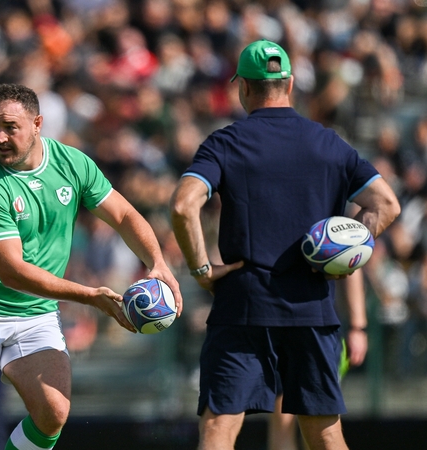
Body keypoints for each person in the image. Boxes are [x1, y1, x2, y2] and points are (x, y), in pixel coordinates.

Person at [169, 39, 400, 450]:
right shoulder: (330, 144)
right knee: (325, 433)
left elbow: (184, 206)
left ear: (242, 88)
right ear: (290, 83)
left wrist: (202, 270)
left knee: (220, 428)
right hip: (311, 309)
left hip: (242, 307)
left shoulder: (224, 143)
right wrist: (345, 247)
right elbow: (386, 205)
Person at [0, 83, 183, 450]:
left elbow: (124, 215)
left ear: (37, 124)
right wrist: (92, 296)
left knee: (53, 413)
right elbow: (13, 272)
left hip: (36, 313)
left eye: (10, 127)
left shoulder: (72, 163)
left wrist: (157, 262)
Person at [268, 270, 368, 450]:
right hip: (274, 318)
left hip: (319, 327)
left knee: (320, 424)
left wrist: (357, 326)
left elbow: (353, 259)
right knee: (282, 418)